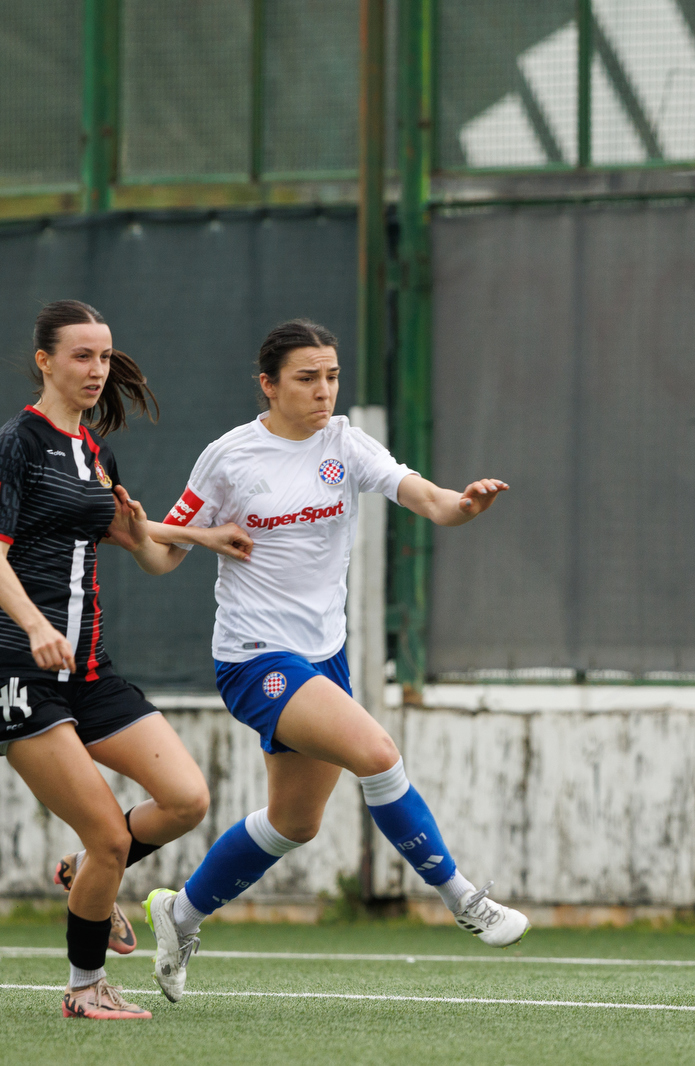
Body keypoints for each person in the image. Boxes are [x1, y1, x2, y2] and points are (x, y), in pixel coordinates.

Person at [141, 318, 527, 1004]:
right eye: (307, 378)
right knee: (377, 752)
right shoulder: (229, 457)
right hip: (254, 656)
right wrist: (178, 531)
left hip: (323, 657)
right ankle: (465, 899)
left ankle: (180, 915)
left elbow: (427, 498)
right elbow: (165, 551)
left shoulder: (344, 442)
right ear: (268, 385)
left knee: (295, 823)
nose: (324, 390)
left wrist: (462, 507)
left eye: (332, 376)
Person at [0, 300, 236, 1020]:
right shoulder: (18, 444)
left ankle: (85, 875)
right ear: (45, 362)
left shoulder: (95, 454)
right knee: (108, 832)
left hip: (92, 672)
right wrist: (36, 625)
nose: (97, 370)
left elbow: (151, 555)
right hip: (22, 672)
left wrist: (202, 537)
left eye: (104, 357)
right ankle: (83, 989)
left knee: (187, 799)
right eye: (81, 356)